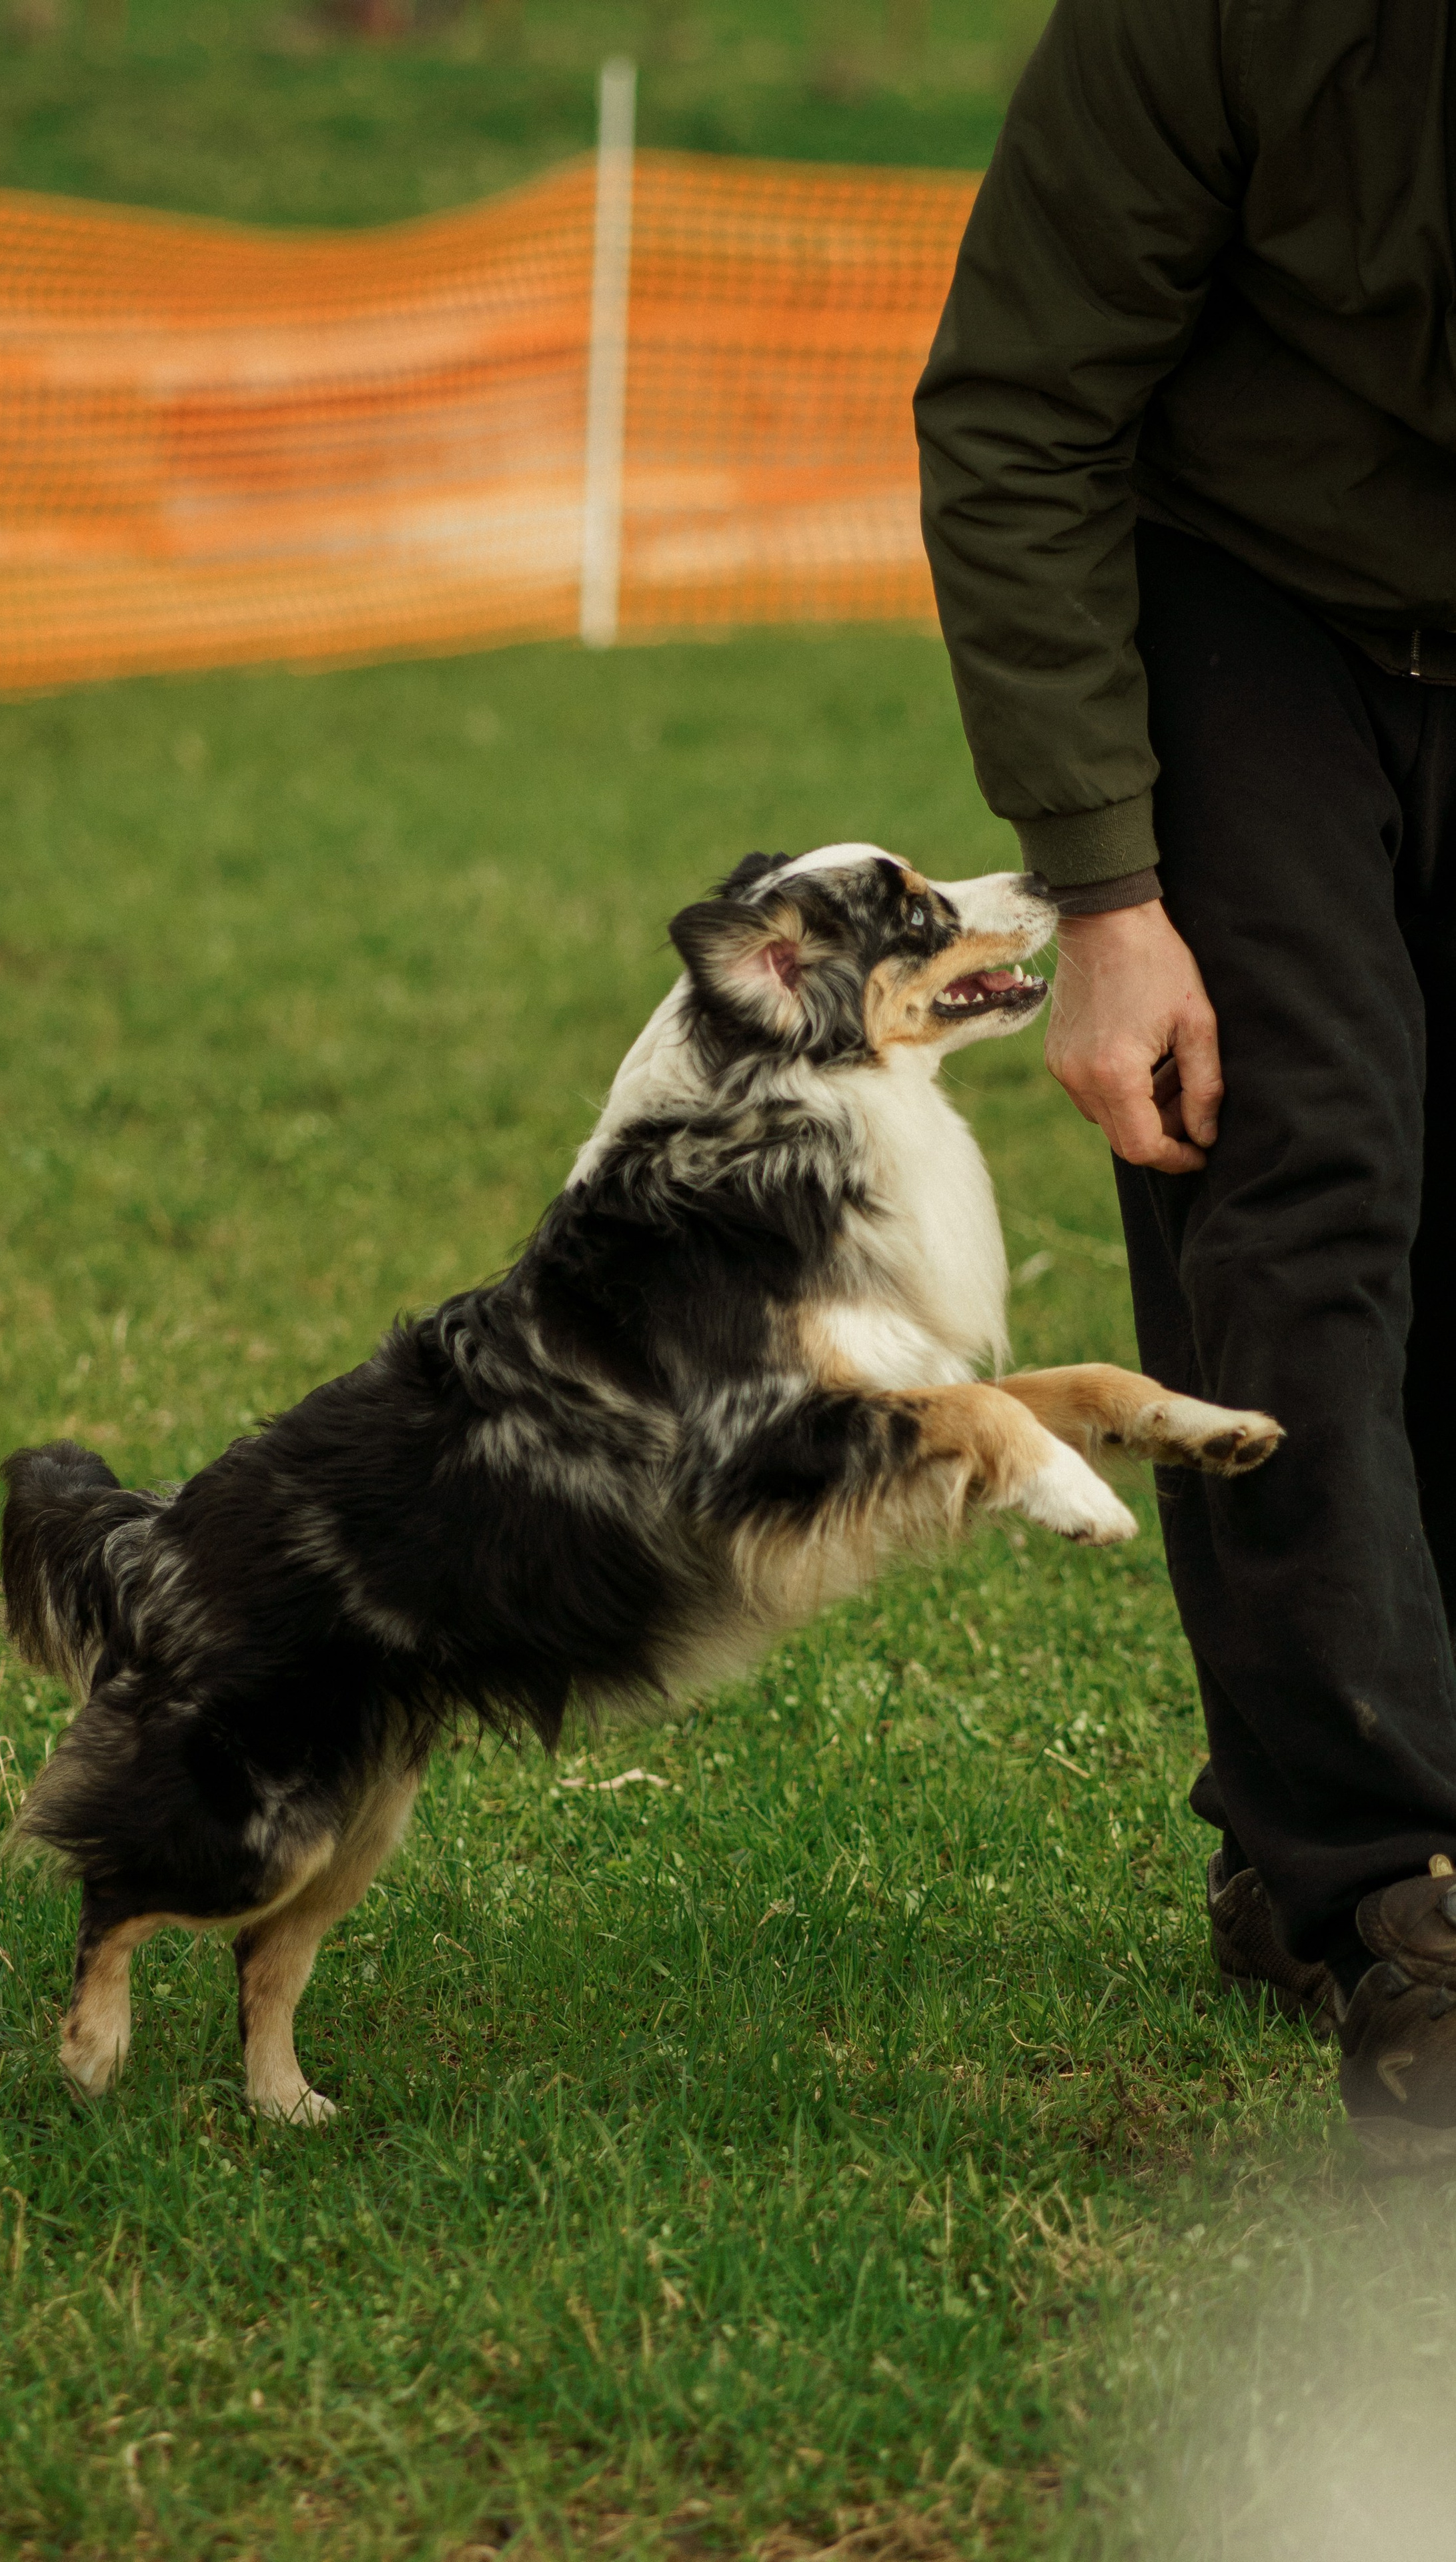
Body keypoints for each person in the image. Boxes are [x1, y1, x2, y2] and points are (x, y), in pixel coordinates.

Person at [914, 0, 1456, 2164]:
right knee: (1301, 1183)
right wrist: (1109, 894)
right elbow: (1023, 405)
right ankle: (1391, 1889)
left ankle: (1300, 1842)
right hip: (1244, 593)